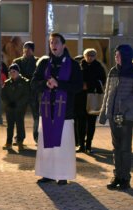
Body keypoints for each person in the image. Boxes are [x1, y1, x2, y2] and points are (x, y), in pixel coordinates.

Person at [31, 33, 83, 185]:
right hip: (47, 111)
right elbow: (34, 83)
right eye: (51, 42)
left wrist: (59, 84)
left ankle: (62, 174)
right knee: (47, 145)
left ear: (63, 45)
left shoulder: (73, 65)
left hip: (65, 112)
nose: (53, 45)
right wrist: (46, 84)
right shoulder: (44, 63)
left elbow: (78, 86)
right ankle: (48, 174)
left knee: (62, 145)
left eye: (56, 42)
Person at [99, 44, 133, 190]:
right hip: (113, 116)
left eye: (118, 55)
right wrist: (103, 113)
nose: (116, 57)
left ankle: (125, 178)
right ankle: (117, 176)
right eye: (115, 55)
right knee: (116, 147)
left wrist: (124, 105)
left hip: (126, 116)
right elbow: (107, 93)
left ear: (125, 56)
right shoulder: (113, 71)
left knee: (125, 148)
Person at [76, 48, 106, 153]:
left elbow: (102, 81)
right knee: (81, 123)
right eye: (88, 55)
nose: (90, 57)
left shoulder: (99, 67)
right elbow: (74, 79)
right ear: (84, 56)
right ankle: (81, 145)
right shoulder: (79, 66)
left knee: (91, 123)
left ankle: (89, 145)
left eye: (92, 55)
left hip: (93, 97)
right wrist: (80, 85)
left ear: (95, 56)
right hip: (81, 98)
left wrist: (88, 85)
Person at [13, 41, 39, 142]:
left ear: (33, 50)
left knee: (36, 116)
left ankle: (37, 137)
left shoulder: (37, 61)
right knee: (19, 116)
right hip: (21, 93)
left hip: (33, 93)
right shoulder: (17, 62)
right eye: (25, 48)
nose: (26, 50)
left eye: (29, 49)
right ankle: (19, 137)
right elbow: (13, 75)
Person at [1, 63, 30, 151]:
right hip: (9, 108)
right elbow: (3, 95)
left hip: (20, 108)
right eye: (11, 72)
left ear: (18, 72)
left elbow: (26, 95)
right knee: (10, 126)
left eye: (14, 71)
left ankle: (20, 142)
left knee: (19, 125)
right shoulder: (7, 83)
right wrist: (8, 103)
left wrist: (18, 104)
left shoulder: (25, 82)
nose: (12, 73)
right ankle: (8, 142)